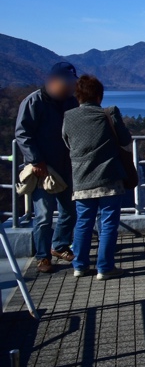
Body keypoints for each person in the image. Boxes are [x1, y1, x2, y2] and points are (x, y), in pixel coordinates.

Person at [62, 75, 131, 280]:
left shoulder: (68, 117)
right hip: (109, 178)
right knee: (108, 223)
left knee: (83, 222)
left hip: (81, 179)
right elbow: (126, 139)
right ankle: (105, 267)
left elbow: (67, 143)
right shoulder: (109, 113)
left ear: (78, 96)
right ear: (99, 96)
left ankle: (80, 265)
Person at [15, 62, 79, 274]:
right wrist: (36, 160)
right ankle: (42, 257)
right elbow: (22, 134)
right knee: (42, 215)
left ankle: (59, 246)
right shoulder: (34, 101)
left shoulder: (71, 102)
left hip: (67, 165)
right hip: (42, 169)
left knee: (69, 210)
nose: (70, 87)